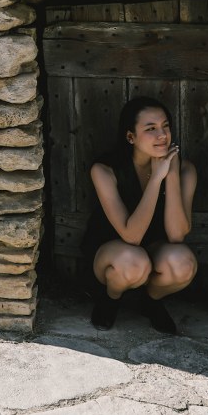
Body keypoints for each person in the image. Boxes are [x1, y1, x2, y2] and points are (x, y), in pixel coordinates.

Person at [80, 96, 198, 334]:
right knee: (133, 260)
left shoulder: (185, 169)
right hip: (113, 255)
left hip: (154, 250)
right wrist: (156, 179)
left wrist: (171, 174)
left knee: (183, 263)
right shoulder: (104, 170)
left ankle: (151, 301)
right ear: (130, 137)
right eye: (151, 129)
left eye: (165, 126)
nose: (162, 135)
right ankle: (110, 299)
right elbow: (131, 237)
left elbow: (176, 236)